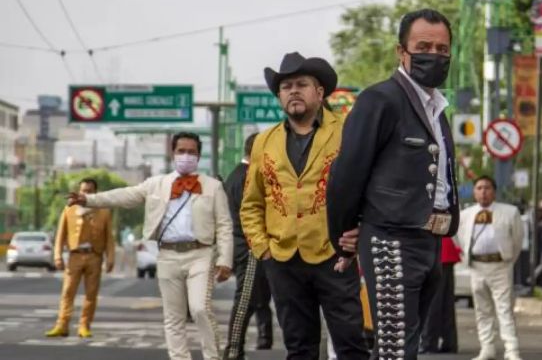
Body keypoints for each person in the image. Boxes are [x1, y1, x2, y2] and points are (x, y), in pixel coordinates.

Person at [327, 8, 460, 360]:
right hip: (390, 239)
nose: (434, 55)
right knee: (394, 349)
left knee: (407, 345)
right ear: (401, 52)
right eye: (424, 46)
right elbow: (347, 175)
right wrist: (345, 235)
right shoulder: (379, 99)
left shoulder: (437, 109)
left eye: (442, 49)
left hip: (431, 241)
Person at [240, 53, 368, 360]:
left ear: (320, 92)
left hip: (335, 255)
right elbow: (251, 203)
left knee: (351, 345)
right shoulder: (264, 142)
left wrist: (360, 231)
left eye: (301, 84)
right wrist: (263, 248)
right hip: (283, 259)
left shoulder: (347, 132)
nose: (293, 91)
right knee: (299, 349)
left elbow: (368, 189)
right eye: (286, 87)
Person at [68, 132, 233, 360]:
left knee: (200, 309)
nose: (186, 156)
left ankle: (213, 357)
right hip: (167, 255)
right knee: (173, 316)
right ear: (173, 153)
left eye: (191, 152)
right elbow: (124, 195)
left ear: (199, 155)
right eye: (181, 151)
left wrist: (225, 260)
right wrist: (89, 199)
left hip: (201, 254)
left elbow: (224, 226)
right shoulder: (157, 184)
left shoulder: (213, 187)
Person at [456, 175, 524, 360]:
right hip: (477, 267)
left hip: (500, 266)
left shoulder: (510, 212)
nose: (483, 191)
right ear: (474, 192)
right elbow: (461, 239)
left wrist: (508, 259)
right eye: (479, 188)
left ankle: (512, 350)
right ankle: (487, 348)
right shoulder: (465, 215)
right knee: (482, 309)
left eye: (487, 188)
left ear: (494, 191)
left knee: (504, 309)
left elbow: (517, 240)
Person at [223, 132, 274, 360]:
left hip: (247, 246)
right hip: (250, 247)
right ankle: (233, 350)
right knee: (244, 300)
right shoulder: (245, 177)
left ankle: (242, 346)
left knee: (258, 299)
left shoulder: (239, 175)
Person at [46, 178, 115, 338]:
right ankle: (62, 324)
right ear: (79, 191)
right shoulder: (69, 210)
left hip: (94, 256)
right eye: (83, 190)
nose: (86, 193)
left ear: (95, 193)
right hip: (74, 256)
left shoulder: (103, 212)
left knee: (91, 293)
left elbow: (109, 238)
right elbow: (60, 235)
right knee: (68, 292)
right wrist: (57, 256)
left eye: (90, 191)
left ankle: (84, 325)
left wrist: (110, 258)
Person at [419, 236, 461, 354]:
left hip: (433, 249)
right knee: (446, 303)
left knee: (432, 302)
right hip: (445, 249)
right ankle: (449, 342)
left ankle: (429, 343)